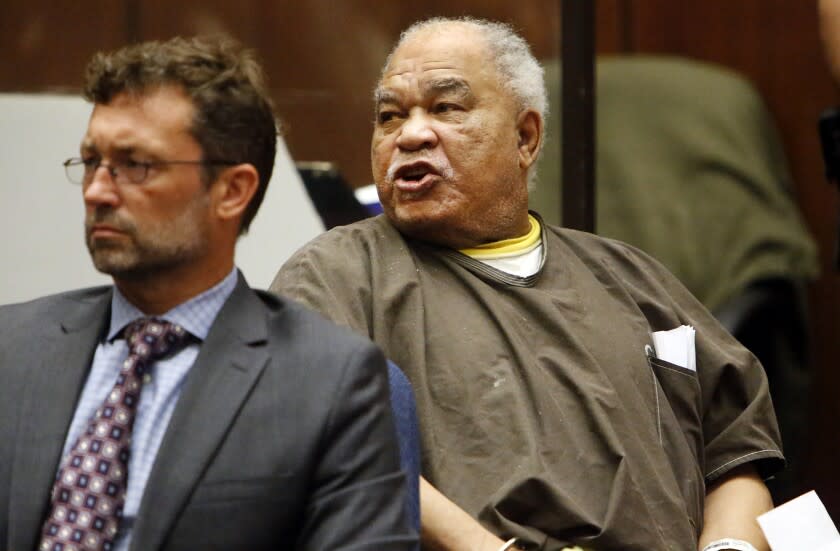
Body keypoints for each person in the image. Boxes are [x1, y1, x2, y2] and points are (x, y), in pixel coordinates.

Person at [271, 17, 783, 551]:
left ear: (525, 137)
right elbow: (340, 454)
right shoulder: (336, 275)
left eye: (446, 108)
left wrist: (731, 547)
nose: (411, 134)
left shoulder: (631, 277)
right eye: (389, 116)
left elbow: (734, 453)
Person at [0, 36, 416, 551]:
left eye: (136, 165)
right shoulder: (12, 349)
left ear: (231, 191)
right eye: (91, 161)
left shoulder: (328, 384)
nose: (97, 191)